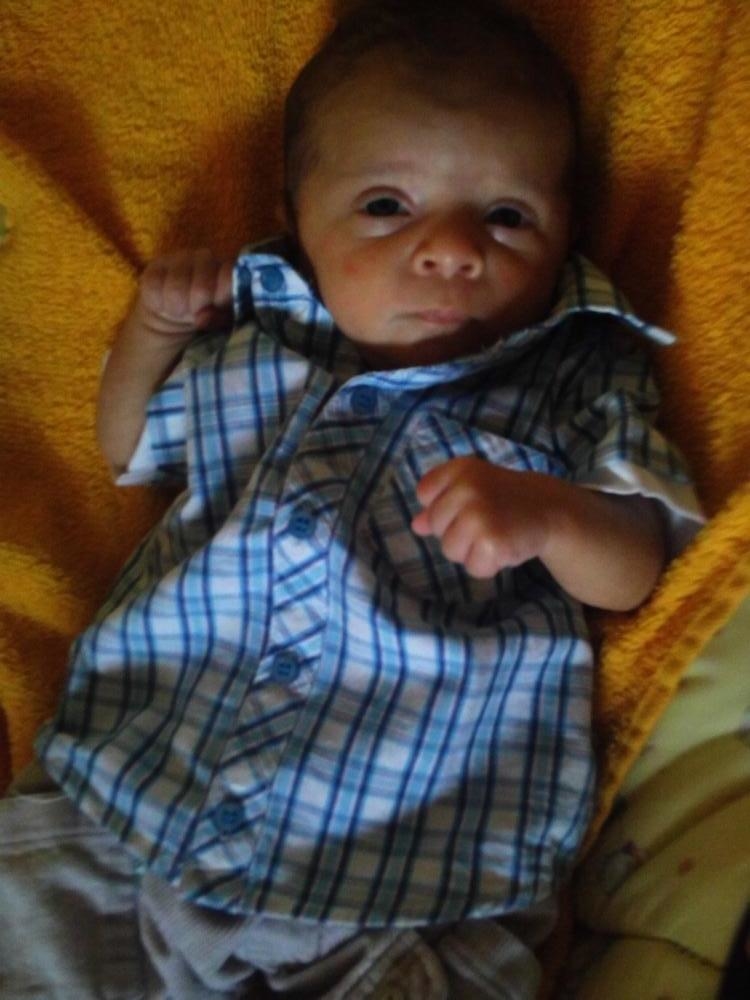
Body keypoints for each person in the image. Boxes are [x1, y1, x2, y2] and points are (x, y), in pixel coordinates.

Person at [0, 1, 704, 997]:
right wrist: (152, 334)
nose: (452, 249)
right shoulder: (252, 344)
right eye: (387, 205)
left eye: (507, 216)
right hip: (128, 803)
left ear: (566, 234)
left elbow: (634, 568)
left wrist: (547, 515)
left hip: (404, 868)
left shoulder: (576, 374)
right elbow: (129, 446)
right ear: (297, 217)